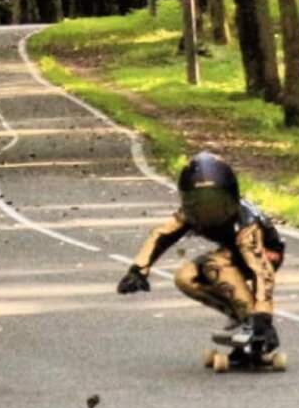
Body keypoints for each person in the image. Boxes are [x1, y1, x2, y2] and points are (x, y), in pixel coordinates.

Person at [116, 151, 285, 358]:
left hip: (267, 252)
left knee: (215, 264)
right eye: (201, 204)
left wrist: (263, 316)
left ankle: (253, 324)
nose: (208, 212)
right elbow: (162, 235)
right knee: (186, 277)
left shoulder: (247, 227)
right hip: (233, 252)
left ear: (231, 197)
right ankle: (243, 317)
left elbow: (262, 272)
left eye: (216, 204)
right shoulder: (189, 214)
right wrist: (138, 270)